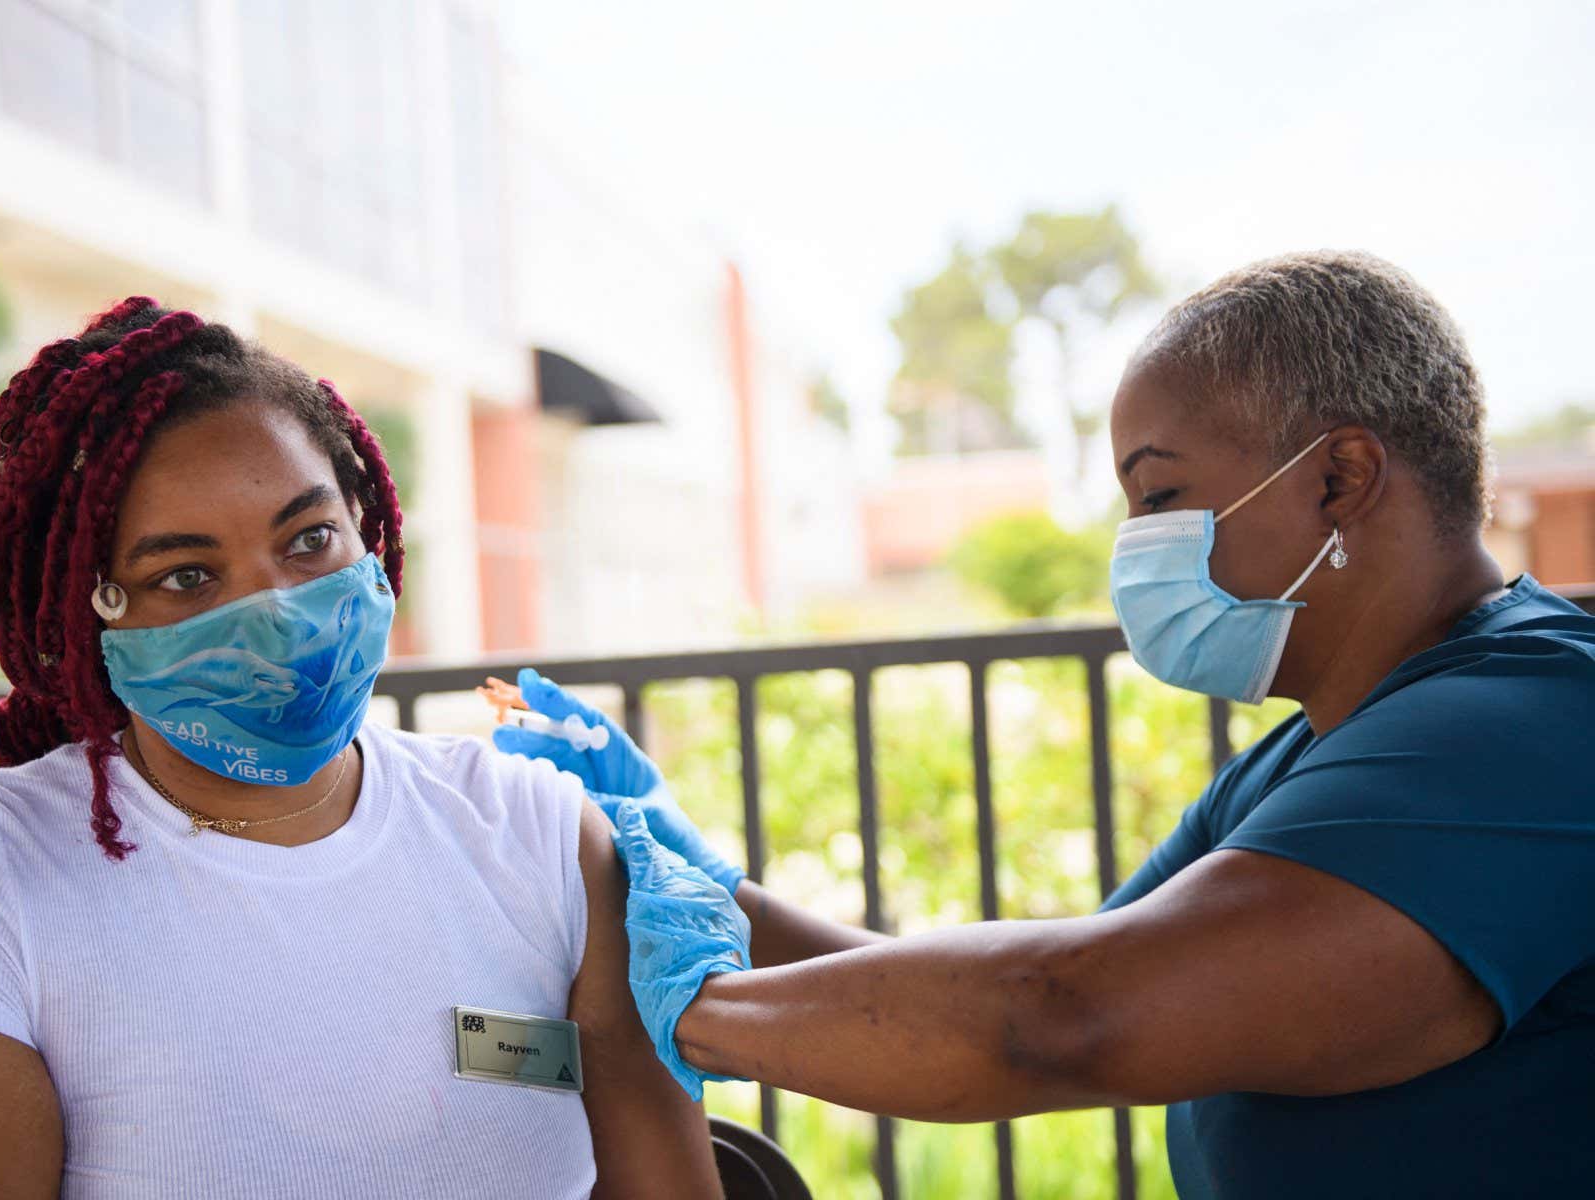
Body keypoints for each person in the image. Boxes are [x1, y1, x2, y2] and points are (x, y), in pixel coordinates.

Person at [497, 251, 1595, 1198]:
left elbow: (1060, 1018)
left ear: (1342, 477)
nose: (1135, 545)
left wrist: (676, 1015)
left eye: (1159, 495)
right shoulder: (1314, 753)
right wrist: (682, 876)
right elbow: (1004, 981)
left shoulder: (1522, 728)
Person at [0, 299, 722, 1199]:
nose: (279, 614)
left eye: (309, 539)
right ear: (84, 610)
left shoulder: (540, 834)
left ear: (366, 524)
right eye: (186, 575)